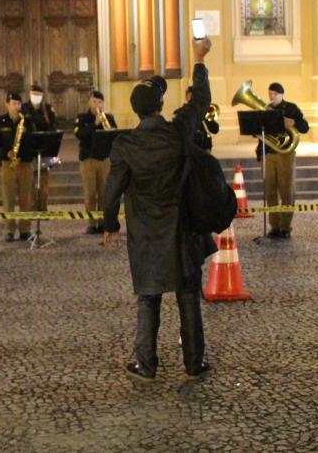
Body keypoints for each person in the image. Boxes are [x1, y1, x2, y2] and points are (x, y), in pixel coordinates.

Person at [103, 37, 215, 381]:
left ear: (136, 111)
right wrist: (198, 59)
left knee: (148, 298)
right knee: (188, 296)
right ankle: (194, 363)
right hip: (181, 229)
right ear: (160, 104)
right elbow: (200, 102)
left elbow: (112, 189)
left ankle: (146, 363)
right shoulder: (178, 131)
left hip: (147, 233)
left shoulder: (125, 144)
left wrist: (110, 224)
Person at [256, 82, 309, 239]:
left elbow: (305, 127)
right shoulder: (266, 109)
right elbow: (262, 134)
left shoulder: (292, 108)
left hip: (285, 154)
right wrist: (260, 151)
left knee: (286, 191)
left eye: (274, 94)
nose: (271, 96)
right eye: (270, 94)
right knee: (270, 191)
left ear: (281, 94)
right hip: (270, 154)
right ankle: (274, 225)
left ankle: (285, 227)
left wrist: (293, 122)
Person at [0, 92, 36, 242]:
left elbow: (35, 140)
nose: (16, 107)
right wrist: (5, 152)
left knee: (26, 199)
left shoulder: (27, 121)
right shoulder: (0, 122)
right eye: (13, 104)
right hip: (8, 164)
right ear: (7, 104)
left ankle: (25, 230)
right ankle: (9, 229)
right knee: (8, 198)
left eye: (18, 104)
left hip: (25, 164)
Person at [74, 91, 117, 234]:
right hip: (89, 160)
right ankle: (92, 223)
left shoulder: (109, 118)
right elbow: (80, 135)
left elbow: (114, 135)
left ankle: (104, 222)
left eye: (99, 102)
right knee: (90, 194)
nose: (97, 105)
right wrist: (94, 124)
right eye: (94, 102)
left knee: (104, 193)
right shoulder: (82, 118)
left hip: (104, 160)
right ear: (89, 102)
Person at [21, 84, 58, 210]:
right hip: (28, 149)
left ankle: (43, 208)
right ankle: (32, 208)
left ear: (42, 96)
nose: (35, 97)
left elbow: (53, 127)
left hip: (44, 149)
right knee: (30, 183)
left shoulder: (48, 109)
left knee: (44, 183)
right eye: (33, 94)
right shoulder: (24, 108)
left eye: (38, 95)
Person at [174, 86, 218, 151]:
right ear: (186, 97)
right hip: (188, 147)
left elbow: (215, 130)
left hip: (203, 147)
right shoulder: (180, 112)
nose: (192, 98)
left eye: (195, 96)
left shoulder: (203, 111)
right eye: (190, 96)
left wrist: (207, 117)